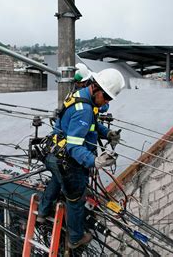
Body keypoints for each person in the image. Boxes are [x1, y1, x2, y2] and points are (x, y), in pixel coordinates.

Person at [37, 68, 125, 249]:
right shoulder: (84, 109)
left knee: (57, 178)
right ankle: (75, 238)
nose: (106, 102)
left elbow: (92, 124)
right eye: (106, 97)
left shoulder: (81, 96)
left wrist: (107, 132)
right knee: (76, 198)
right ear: (96, 88)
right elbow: (74, 147)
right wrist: (95, 161)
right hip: (67, 160)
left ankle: (42, 212)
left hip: (53, 153)